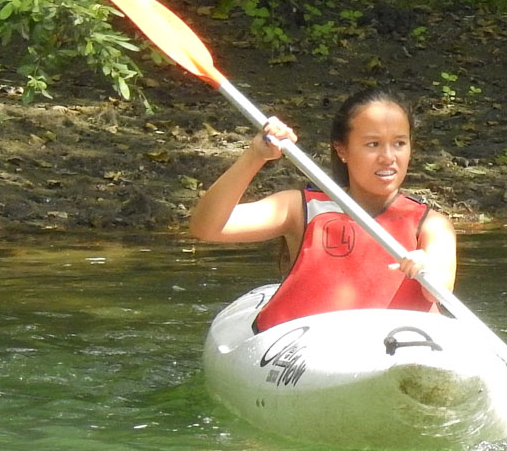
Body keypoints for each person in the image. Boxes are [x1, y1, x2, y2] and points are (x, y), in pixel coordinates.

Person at [187, 88, 456, 332]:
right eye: (373, 144)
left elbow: (440, 291)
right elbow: (206, 227)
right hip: (309, 353)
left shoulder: (432, 225)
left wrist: (428, 268)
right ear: (342, 150)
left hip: (402, 352)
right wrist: (255, 156)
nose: (388, 157)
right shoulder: (298, 208)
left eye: (399, 143)